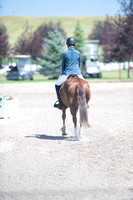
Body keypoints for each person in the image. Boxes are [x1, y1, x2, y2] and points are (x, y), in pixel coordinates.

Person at [54, 37, 84, 110]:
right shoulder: (78, 53)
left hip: (67, 73)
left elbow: (63, 65)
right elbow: (79, 63)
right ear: (74, 44)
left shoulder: (65, 53)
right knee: (85, 84)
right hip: (77, 73)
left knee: (57, 84)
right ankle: (85, 102)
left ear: (67, 44)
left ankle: (60, 103)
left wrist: (62, 73)